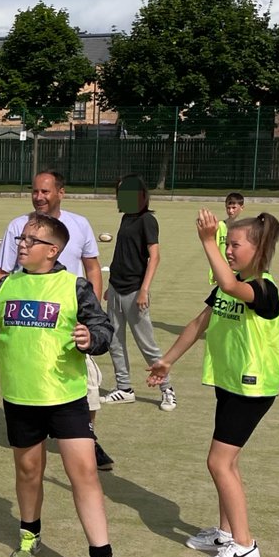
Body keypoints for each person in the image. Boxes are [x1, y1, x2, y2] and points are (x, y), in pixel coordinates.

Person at [0, 212, 131, 557]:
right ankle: (30, 532)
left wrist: (89, 338)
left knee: (83, 475)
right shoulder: (7, 284)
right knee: (29, 471)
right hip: (20, 398)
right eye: (21, 238)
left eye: (31, 239)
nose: (22, 244)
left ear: (53, 250)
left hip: (65, 397)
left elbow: (103, 330)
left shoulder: (74, 286)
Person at [147, 209, 279, 557]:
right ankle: (227, 533)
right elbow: (198, 323)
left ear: (258, 248)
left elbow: (230, 287)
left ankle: (244, 545)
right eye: (225, 244)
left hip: (252, 387)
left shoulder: (263, 289)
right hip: (230, 383)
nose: (228, 250)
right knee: (228, 462)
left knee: (218, 462)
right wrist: (168, 361)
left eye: (234, 245)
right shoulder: (231, 283)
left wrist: (207, 240)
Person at [0, 171, 113, 470]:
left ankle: (88, 440)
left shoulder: (79, 224)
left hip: (71, 325)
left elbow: (93, 268)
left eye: (45, 191)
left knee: (89, 390)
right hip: (32, 323)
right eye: (34, 191)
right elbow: (3, 274)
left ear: (61, 192)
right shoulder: (18, 227)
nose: (38, 197)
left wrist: (91, 314)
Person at [102, 174, 176, 412]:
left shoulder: (147, 220)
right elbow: (122, 253)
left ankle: (167, 389)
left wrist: (144, 290)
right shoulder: (126, 218)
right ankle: (124, 388)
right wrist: (110, 285)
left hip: (135, 291)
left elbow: (154, 256)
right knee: (114, 340)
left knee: (147, 344)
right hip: (115, 288)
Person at [210, 193, 246, 282]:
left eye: (234, 208)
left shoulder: (246, 228)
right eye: (228, 208)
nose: (230, 211)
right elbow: (214, 249)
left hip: (239, 272)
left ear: (242, 207)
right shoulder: (219, 226)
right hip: (222, 272)